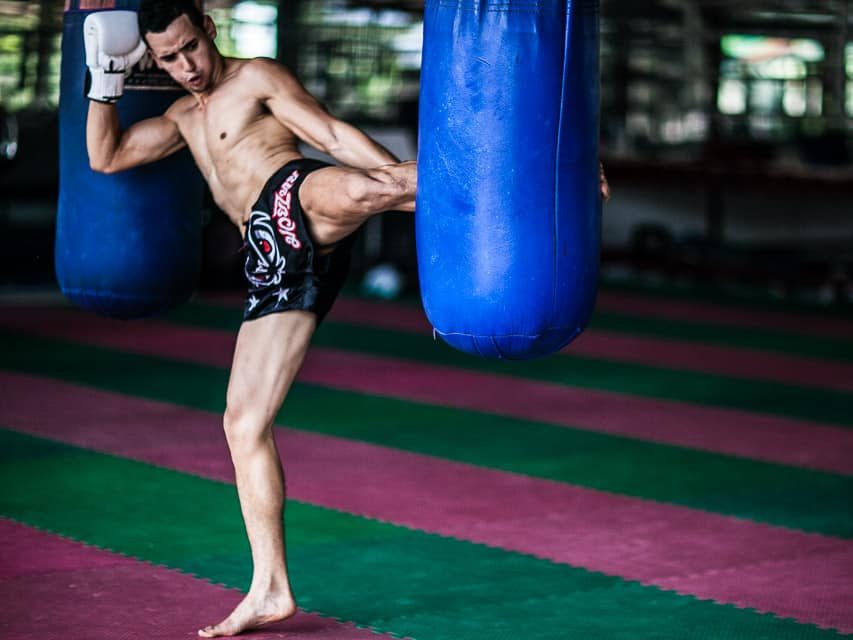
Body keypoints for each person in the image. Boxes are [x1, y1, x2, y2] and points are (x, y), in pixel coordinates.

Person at [84, 2, 610, 636]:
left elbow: (328, 135)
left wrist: (382, 169)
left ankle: (556, 174)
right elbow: (105, 157)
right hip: (270, 260)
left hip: (292, 196)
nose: (185, 65)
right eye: (168, 57)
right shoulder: (177, 117)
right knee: (243, 423)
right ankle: (269, 588)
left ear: (209, 29)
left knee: (370, 190)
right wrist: (100, 80)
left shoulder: (255, 78)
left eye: (190, 46)